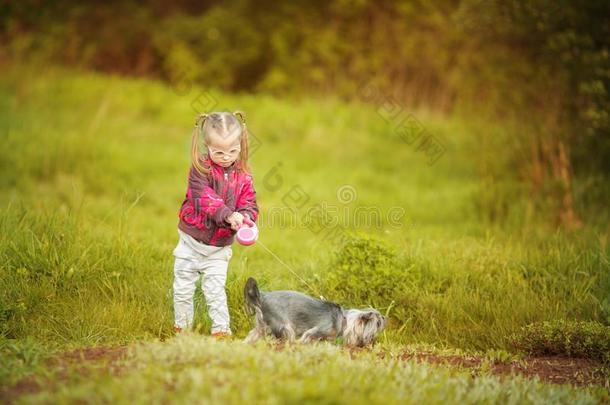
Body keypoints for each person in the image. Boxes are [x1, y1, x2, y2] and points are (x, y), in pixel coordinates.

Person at [172, 111, 258, 337]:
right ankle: (183, 329)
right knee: (183, 287)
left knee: (215, 289)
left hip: (219, 247)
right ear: (207, 146)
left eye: (232, 151)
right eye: (218, 152)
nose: (226, 157)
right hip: (191, 241)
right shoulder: (201, 169)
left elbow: (250, 204)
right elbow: (203, 198)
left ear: (240, 145)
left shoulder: (244, 176)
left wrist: (245, 219)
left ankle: (221, 331)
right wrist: (228, 215)